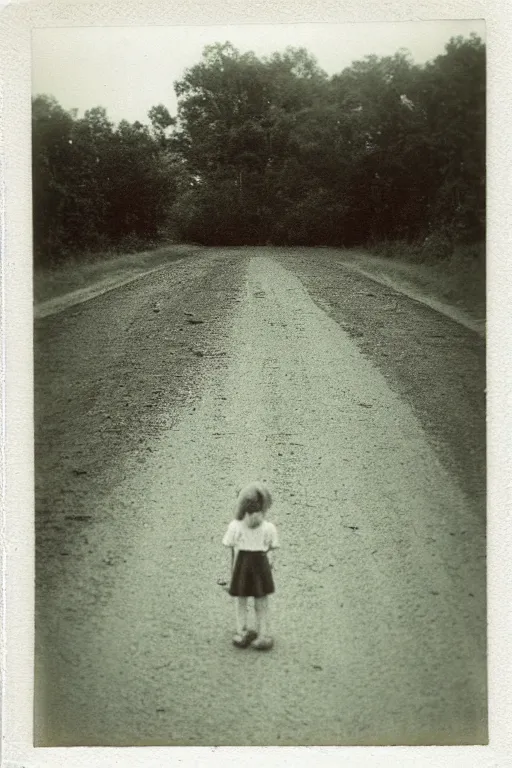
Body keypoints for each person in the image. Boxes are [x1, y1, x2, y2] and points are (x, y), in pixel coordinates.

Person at [222, 482, 279, 650]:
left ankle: (241, 632)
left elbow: (230, 547)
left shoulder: (235, 526)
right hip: (260, 564)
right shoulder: (269, 528)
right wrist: (271, 564)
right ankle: (263, 634)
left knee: (241, 600)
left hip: (243, 564)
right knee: (261, 601)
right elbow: (272, 549)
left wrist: (230, 573)